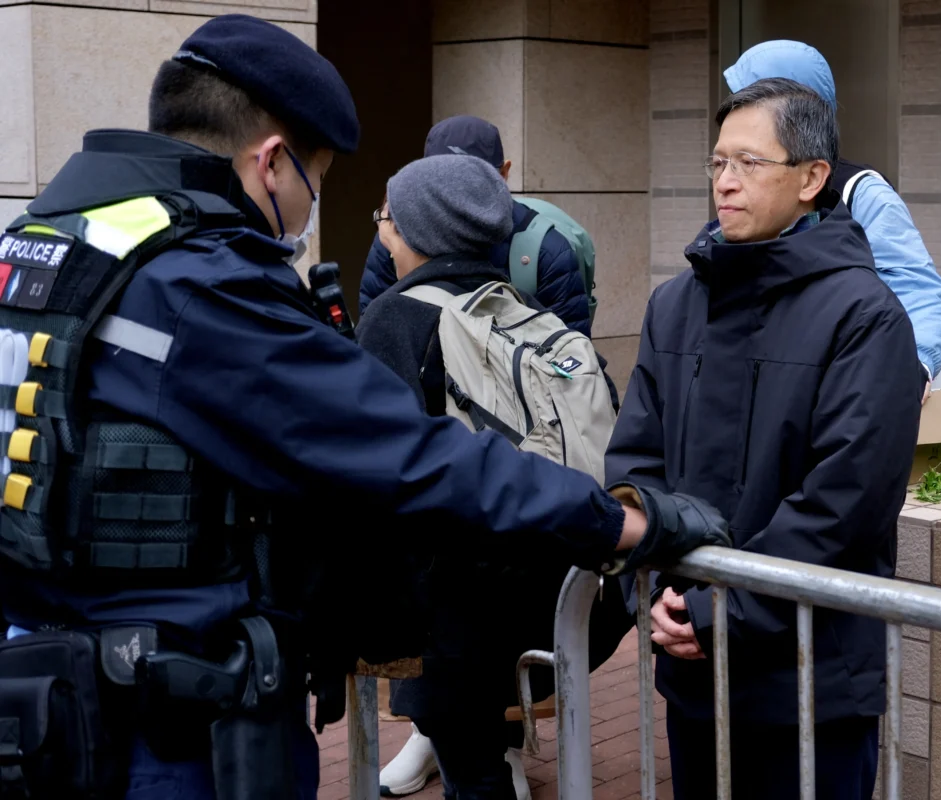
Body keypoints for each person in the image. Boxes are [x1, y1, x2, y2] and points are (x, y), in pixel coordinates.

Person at [0, 15, 729, 800]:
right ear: (272, 160)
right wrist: (626, 523)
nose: (311, 208)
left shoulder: (44, 244)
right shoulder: (202, 285)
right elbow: (414, 457)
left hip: (44, 692)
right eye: (315, 181)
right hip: (171, 720)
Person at [605, 78, 923, 799]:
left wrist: (723, 610)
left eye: (750, 164)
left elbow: (846, 504)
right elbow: (635, 461)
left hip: (811, 681)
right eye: (718, 163)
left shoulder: (865, 318)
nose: (726, 182)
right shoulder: (675, 305)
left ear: (812, 178)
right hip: (693, 671)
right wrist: (653, 591)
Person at [357, 155, 619, 799]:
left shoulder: (397, 318)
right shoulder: (523, 310)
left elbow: (377, 476)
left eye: (386, 218)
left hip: (455, 614)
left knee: (471, 777)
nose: (381, 233)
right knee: (478, 768)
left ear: (417, 230)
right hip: (556, 594)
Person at [725, 40, 941, 400]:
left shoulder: (861, 192)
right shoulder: (747, 193)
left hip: (891, 392)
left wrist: (911, 366)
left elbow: (916, 286)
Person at [358, 117, 593, 337]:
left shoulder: (546, 251)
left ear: (504, 174)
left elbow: (569, 364)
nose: (459, 197)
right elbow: (375, 336)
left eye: (475, 181)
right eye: (444, 182)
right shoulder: (396, 238)